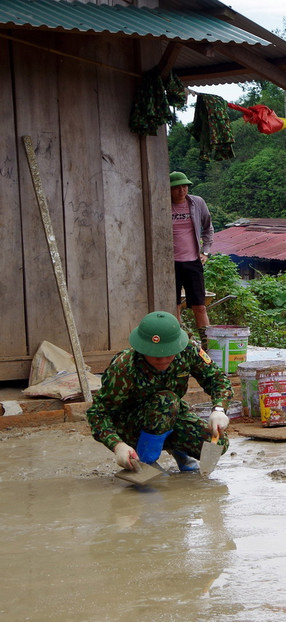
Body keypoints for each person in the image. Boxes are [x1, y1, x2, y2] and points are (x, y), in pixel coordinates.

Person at [87, 311, 232, 472]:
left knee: (218, 443)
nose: (162, 360)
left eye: (168, 353)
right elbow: (98, 413)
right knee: (167, 400)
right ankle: (145, 462)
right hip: (131, 426)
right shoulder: (124, 367)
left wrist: (219, 409)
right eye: (155, 354)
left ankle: (177, 449)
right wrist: (117, 445)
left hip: (170, 415)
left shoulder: (188, 350)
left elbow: (217, 379)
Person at [170, 171, 215, 344]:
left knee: (200, 306)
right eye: (177, 187)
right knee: (174, 307)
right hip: (170, 265)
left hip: (192, 262)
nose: (182, 190)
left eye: (185, 186)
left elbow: (208, 228)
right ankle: (179, 343)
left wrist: (205, 252)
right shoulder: (162, 205)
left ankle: (207, 344)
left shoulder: (197, 203)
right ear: (169, 189)